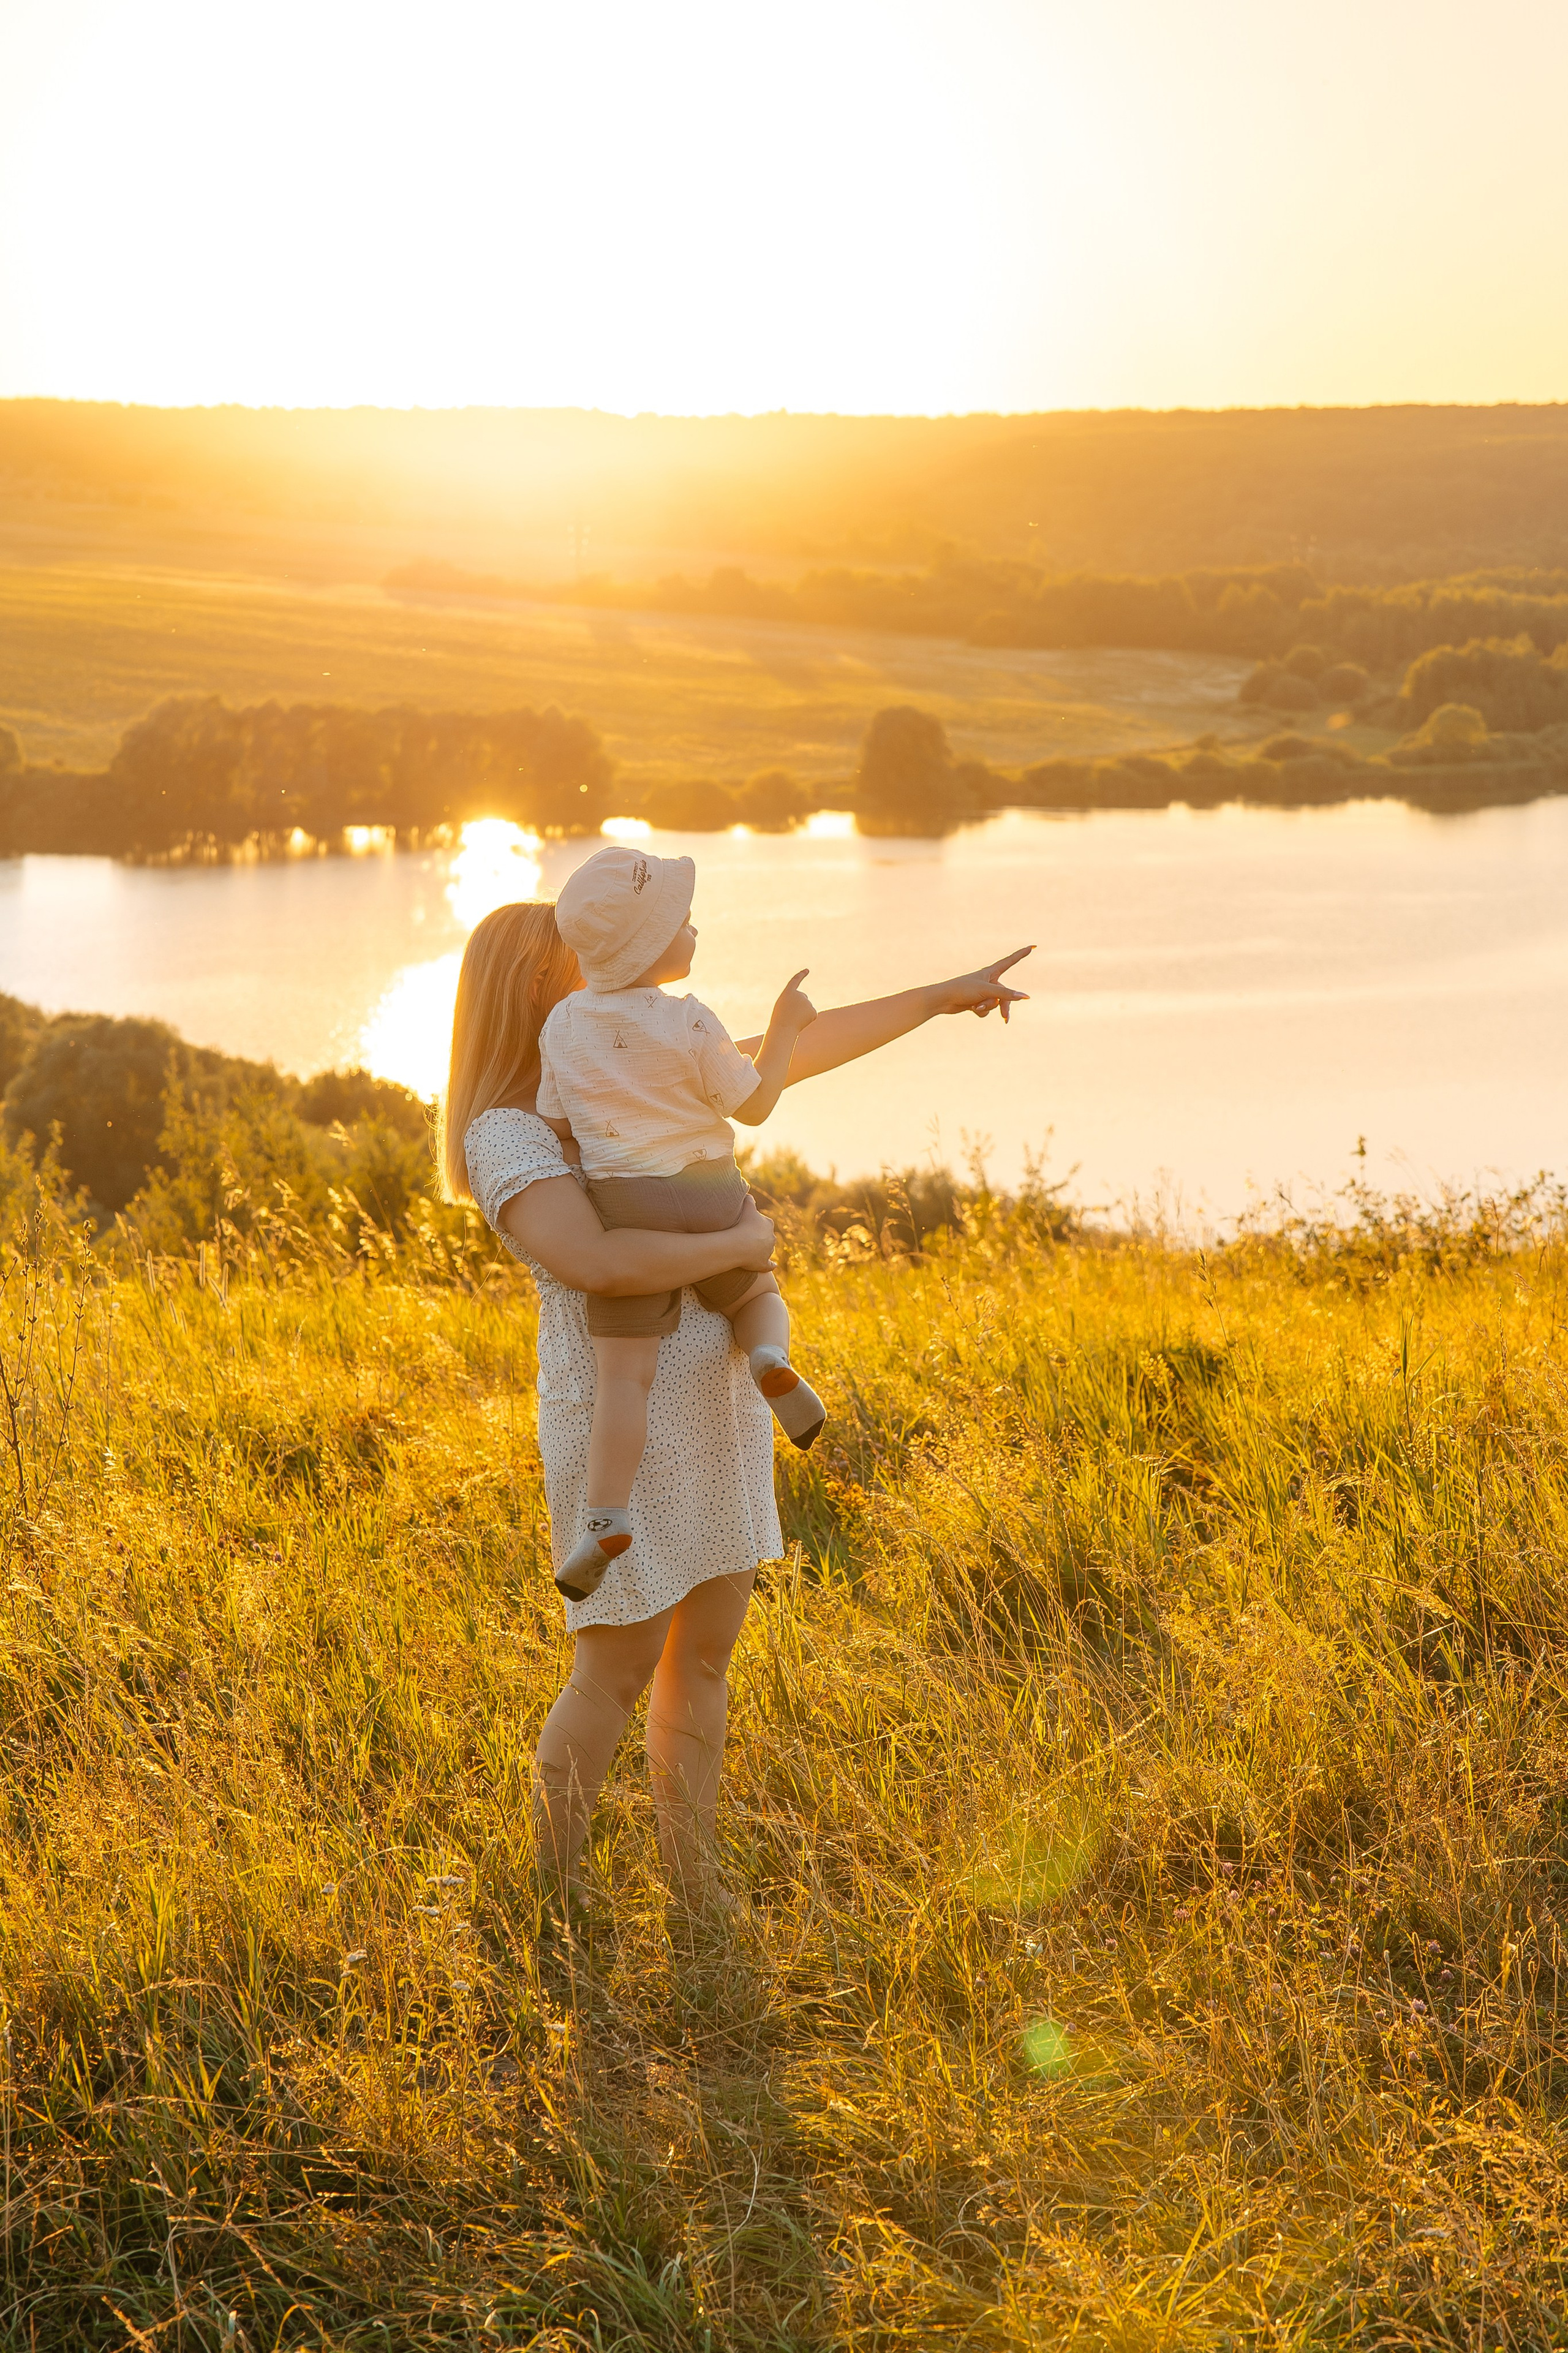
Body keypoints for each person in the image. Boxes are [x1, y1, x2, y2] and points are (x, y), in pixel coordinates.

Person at [440, 896, 1030, 1919]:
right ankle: (552, 1892)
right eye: (581, 955)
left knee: (704, 1654)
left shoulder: (637, 1074)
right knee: (615, 1667)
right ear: (538, 985)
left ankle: (695, 1886)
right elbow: (597, 1261)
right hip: (619, 1414)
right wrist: (739, 1248)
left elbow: (781, 1052)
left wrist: (943, 996)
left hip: (713, 1397)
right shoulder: (506, 1132)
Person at [535, 845, 827, 1604]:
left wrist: (609, 1148)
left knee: (621, 1380)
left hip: (628, 1207)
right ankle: (768, 1356)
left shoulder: (562, 1025)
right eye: (682, 921)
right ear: (651, 946)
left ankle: (602, 1518)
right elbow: (754, 1103)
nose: (693, 929)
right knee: (755, 1287)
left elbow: (556, 1120)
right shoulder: (693, 1021)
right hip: (710, 1192)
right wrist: (785, 1023)